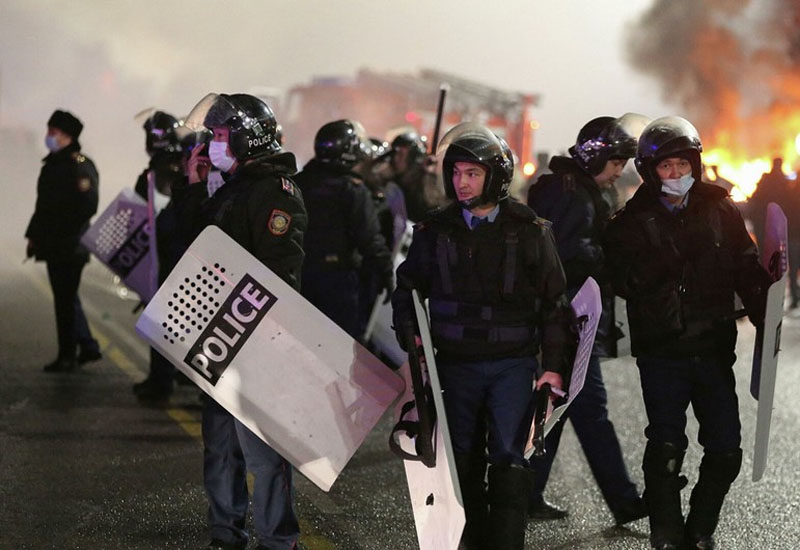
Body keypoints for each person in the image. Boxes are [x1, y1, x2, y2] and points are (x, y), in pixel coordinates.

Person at [392, 122, 571, 550]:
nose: (462, 182)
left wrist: (554, 368)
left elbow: (555, 303)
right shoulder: (435, 230)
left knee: (510, 462)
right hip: (454, 364)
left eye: (472, 173)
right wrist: (412, 339)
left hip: (512, 363)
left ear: (495, 176)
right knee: (462, 464)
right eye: (456, 173)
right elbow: (407, 288)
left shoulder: (530, 230)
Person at [603, 116, 771, 550]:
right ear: (649, 171)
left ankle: (700, 526)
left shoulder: (720, 210)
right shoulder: (630, 221)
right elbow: (619, 278)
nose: (676, 175)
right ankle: (666, 532)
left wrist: (765, 309)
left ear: (695, 164)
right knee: (665, 446)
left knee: (726, 450)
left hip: (713, 347)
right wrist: (659, 267)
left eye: (682, 165)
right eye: (666, 167)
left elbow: (745, 267)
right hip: (662, 351)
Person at [180, 92, 307, 550]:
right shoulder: (229, 187)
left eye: (217, 136)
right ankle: (225, 533)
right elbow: (192, 249)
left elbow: (278, 272)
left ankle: (277, 540)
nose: (212, 145)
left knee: (263, 454)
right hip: (219, 339)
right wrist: (194, 188)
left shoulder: (274, 192)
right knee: (220, 448)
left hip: (257, 343)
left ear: (243, 137)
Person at [526, 116, 647, 525]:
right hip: (568, 322)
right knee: (590, 410)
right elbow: (562, 258)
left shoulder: (574, 191)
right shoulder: (572, 196)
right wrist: (610, 255)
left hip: (568, 321)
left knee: (560, 408)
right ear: (595, 156)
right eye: (615, 162)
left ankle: (525, 493)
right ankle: (625, 501)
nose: (619, 171)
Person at [293, 120, 393, 338]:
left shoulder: (298, 182)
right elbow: (369, 239)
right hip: (336, 284)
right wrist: (386, 271)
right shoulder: (352, 190)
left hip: (298, 277)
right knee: (337, 346)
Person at [25, 109, 101, 372]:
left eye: (52, 132)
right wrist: (34, 235)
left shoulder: (78, 164)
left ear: (67, 135)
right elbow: (43, 206)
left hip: (70, 245)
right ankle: (84, 346)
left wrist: (60, 230)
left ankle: (68, 356)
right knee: (65, 299)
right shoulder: (55, 164)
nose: (48, 137)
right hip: (56, 244)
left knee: (65, 302)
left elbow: (87, 205)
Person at [131, 110, 187, 403]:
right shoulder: (179, 164)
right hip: (173, 252)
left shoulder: (165, 169)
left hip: (169, 254)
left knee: (162, 320)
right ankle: (166, 376)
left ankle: (161, 382)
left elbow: (158, 213)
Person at [749, 158, 799, 307]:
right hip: (780, 229)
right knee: (787, 263)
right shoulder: (784, 184)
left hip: (769, 228)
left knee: (770, 261)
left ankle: (771, 291)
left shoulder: (767, 182)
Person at [387, 130, 445, 222]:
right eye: (394, 154)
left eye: (401, 154)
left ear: (415, 158)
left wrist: (429, 177)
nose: (395, 159)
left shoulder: (424, 187)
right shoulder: (390, 182)